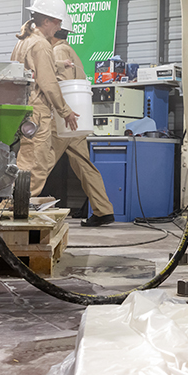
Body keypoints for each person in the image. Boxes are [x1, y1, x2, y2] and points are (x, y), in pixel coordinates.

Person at [10, 0, 91, 219]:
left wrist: (58, 63)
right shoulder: (42, 44)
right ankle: (19, 210)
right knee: (37, 161)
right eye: (58, 22)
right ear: (47, 20)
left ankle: (15, 203)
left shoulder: (25, 40)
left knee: (28, 159)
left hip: (24, 108)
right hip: (38, 109)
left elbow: (31, 66)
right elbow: (47, 82)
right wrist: (65, 111)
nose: (59, 28)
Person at [46, 16, 115, 227]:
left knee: (40, 161)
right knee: (84, 165)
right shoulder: (70, 51)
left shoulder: (58, 51)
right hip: (74, 119)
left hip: (64, 119)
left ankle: (12, 206)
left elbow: (62, 84)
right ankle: (103, 210)